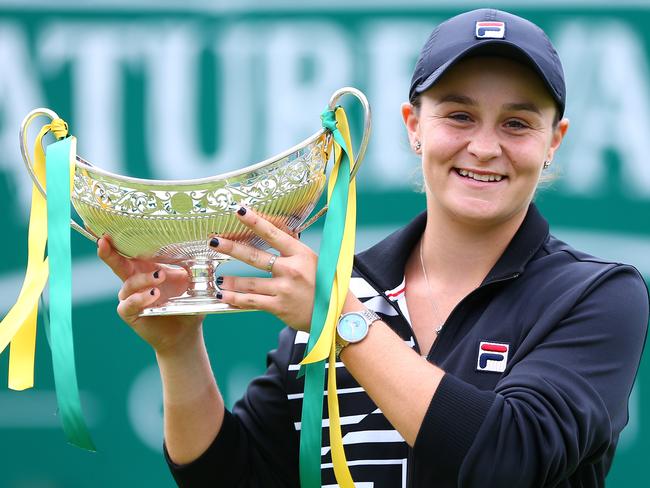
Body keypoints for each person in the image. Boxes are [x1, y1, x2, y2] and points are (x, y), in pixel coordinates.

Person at [98, 8, 649, 488]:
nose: (484, 147)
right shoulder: (347, 287)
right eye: (458, 116)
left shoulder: (596, 295)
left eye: (517, 123)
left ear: (554, 140)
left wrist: (340, 320)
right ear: (413, 126)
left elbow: (508, 462)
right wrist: (178, 350)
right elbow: (235, 477)